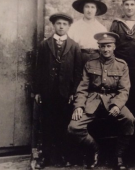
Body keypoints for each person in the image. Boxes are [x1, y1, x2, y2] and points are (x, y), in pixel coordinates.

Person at [68, 32, 135, 170]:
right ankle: (95, 150)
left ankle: (119, 155)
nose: (106, 49)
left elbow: (124, 90)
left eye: (109, 46)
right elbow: (83, 88)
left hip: (113, 100)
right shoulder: (90, 64)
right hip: (92, 101)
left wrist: (117, 105)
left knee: (129, 120)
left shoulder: (122, 65)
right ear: (99, 47)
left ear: (114, 47)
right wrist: (79, 106)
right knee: (74, 127)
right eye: (103, 46)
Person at [34, 13, 82, 168]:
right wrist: (38, 91)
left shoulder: (74, 46)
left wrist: (73, 92)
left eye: (64, 24)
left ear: (68, 27)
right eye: (58, 23)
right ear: (53, 26)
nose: (61, 26)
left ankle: (63, 156)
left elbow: (77, 72)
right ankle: (45, 157)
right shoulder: (44, 45)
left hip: (65, 92)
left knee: (64, 125)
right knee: (47, 124)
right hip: (48, 92)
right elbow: (38, 69)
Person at [68, 0, 107, 66]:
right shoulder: (74, 27)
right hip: (78, 58)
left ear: (96, 10)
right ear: (83, 9)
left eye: (93, 7)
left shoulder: (101, 28)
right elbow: (69, 47)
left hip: (97, 59)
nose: (89, 10)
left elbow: (105, 47)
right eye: (87, 7)